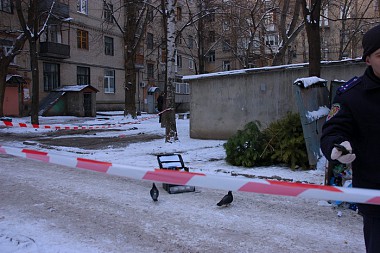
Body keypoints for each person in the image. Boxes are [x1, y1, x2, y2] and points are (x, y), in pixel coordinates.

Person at [320, 24, 380, 253]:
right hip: (376, 198)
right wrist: (338, 147)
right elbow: (333, 130)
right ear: (368, 60)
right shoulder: (352, 95)